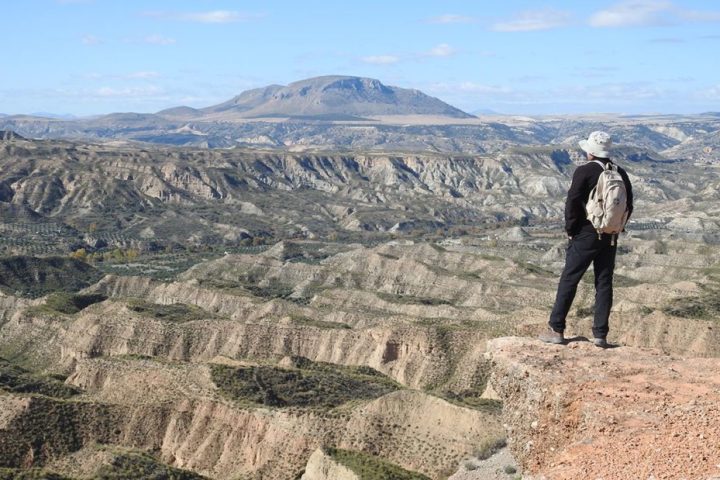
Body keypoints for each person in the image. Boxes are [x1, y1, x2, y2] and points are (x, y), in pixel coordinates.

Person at [539, 131, 633, 348]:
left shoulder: (584, 171)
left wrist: (571, 229)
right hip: (610, 235)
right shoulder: (621, 172)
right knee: (604, 283)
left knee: (570, 279)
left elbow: (572, 201)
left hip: (586, 233)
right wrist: (616, 227)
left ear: (590, 151)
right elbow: (629, 205)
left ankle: (557, 329)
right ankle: (600, 335)